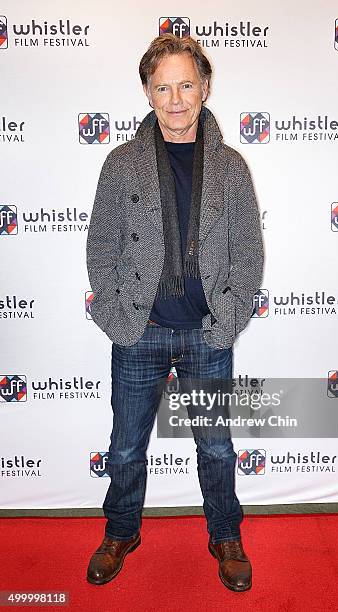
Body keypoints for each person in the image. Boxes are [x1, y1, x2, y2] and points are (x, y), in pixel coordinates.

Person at [86, 33, 264, 592]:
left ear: (205, 87)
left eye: (187, 84)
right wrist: (118, 318)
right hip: (140, 331)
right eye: (163, 87)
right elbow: (101, 247)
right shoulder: (120, 164)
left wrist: (227, 323)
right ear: (147, 92)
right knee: (125, 446)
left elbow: (248, 254)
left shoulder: (232, 167)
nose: (176, 98)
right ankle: (120, 530)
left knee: (215, 444)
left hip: (208, 335)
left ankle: (225, 534)